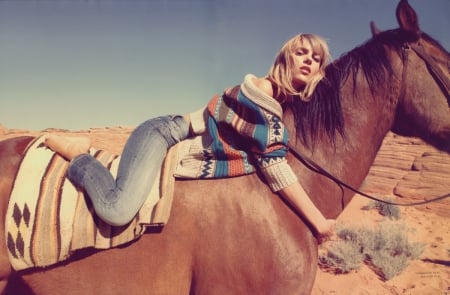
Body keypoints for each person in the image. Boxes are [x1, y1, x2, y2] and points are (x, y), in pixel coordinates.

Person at [45, 33, 336, 240]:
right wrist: (320, 223)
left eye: (316, 58)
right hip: (164, 133)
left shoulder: (281, 108)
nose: (308, 61)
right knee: (117, 210)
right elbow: (273, 165)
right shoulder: (260, 92)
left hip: (177, 138)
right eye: (301, 53)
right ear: (286, 56)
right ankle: (80, 157)